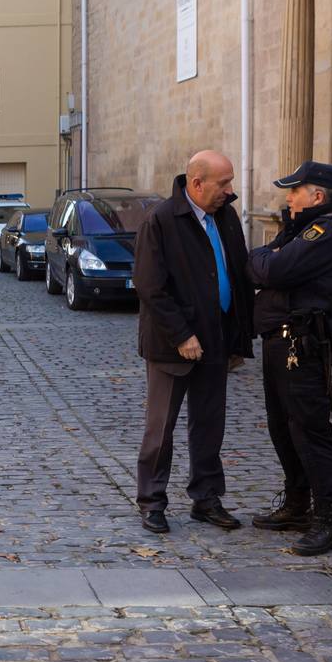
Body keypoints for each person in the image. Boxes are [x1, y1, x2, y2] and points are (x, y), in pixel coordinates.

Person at [132, 150, 254, 534]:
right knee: (160, 427)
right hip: (173, 345)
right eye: (224, 183)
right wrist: (182, 334)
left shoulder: (227, 216)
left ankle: (206, 498)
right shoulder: (162, 220)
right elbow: (150, 286)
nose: (230, 191)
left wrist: (239, 336)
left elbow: (237, 272)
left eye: (231, 182)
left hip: (217, 340)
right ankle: (152, 501)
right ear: (197, 183)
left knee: (209, 425)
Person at [247, 161, 332, 557]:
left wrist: (263, 260)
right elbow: (267, 262)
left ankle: (327, 522)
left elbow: (270, 267)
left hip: (304, 343)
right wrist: (268, 255)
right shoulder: (301, 229)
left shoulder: (326, 231)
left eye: (296, 191)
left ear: (318, 196)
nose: (289, 198)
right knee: (283, 427)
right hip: (281, 340)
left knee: (310, 430)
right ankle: (297, 504)